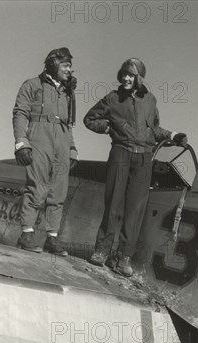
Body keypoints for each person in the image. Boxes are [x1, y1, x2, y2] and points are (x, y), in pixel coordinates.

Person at [83, 58, 187, 277]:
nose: (126, 78)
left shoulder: (150, 100)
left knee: (135, 211)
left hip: (143, 159)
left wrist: (173, 135)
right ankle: (102, 251)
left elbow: (154, 130)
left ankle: (123, 258)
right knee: (114, 204)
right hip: (121, 153)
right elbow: (89, 119)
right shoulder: (113, 98)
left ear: (139, 78)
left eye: (130, 75)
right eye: (123, 74)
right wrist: (108, 128)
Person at [13, 47, 78, 256]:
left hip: (61, 139)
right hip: (40, 136)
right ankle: (27, 234)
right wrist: (21, 142)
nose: (70, 70)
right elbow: (20, 113)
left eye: (70, 66)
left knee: (58, 191)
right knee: (37, 187)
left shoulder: (67, 92)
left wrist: (72, 147)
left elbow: (68, 123)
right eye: (66, 65)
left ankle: (52, 238)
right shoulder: (31, 85)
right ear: (53, 64)